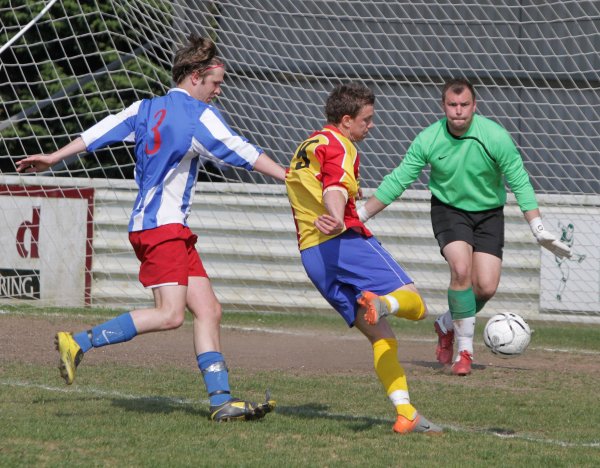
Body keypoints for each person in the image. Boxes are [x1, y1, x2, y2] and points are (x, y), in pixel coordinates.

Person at [16, 33, 285, 421]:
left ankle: (221, 401)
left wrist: (54, 157)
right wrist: (288, 176)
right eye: (216, 82)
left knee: (208, 309)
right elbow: (241, 151)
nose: (219, 90)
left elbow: (100, 131)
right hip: (164, 229)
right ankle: (77, 342)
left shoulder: (145, 108)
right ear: (195, 77)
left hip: (154, 225)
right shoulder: (197, 115)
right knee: (170, 315)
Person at [357, 78, 572, 376]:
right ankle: (465, 352)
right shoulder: (428, 139)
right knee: (461, 270)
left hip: (488, 214)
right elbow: (399, 179)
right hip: (449, 210)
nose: (458, 111)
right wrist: (361, 215)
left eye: (464, 105)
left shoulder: (495, 136)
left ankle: (446, 323)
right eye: (452, 105)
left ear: (475, 106)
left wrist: (537, 227)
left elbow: (519, 181)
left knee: (485, 286)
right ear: (443, 106)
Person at [285, 82, 442, 435]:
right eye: (366, 120)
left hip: (312, 256)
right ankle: (383, 300)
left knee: (381, 336)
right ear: (345, 120)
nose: (371, 126)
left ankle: (406, 413)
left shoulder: (308, 144)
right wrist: (338, 216)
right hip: (343, 242)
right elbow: (335, 187)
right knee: (416, 305)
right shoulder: (342, 146)